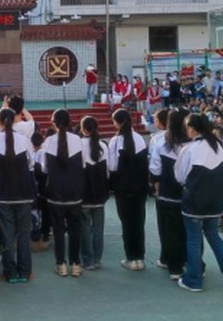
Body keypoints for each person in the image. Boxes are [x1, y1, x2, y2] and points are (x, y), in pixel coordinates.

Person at [175, 113, 223, 292]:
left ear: (191, 128)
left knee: (193, 239)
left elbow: (180, 176)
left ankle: (194, 280)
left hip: (194, 200)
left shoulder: (190, 149)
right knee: (214, 237)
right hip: (215, 201)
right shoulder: (218, 147)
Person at [0, 108, 36, 283]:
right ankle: (25, 272)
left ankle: (10, 272)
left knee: (6, 234)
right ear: (15, 121)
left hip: (3, 194)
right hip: (24, 192)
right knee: (24, 233)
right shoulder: (24, 140)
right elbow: (31, 164)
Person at [41, 109, 85, 277]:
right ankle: (76, 264)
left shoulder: (48, 141)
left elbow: (44, 168)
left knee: (58, 230)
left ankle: (61, 264)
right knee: (75, 229)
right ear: (69, 123)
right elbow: (83, 165)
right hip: (75, 193)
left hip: (55, 193)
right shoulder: (78, 140)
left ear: (54, 123)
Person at [107, 109, 149, 271]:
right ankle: (140, 258)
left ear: (117, 122)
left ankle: (131, 258)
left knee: (127, 223)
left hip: (123, 187)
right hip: (140, 187)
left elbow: (112, 166)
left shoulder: (115, 141)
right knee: (139, 222)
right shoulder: (139, 138)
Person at [150, 108, 189, 280]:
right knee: (191, 231)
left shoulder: (161, 141)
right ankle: (194, 263)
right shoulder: (193, 143)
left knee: (170, 230)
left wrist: (157, 187)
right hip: (189, 194)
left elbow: (155, 168)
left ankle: (173, 266)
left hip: (167, 193)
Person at [78, 115, 109, 271]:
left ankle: (87, 259)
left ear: (83, 129)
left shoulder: (78, 144)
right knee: (98, 228)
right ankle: (97, 259)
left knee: (84, 227)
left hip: (84, 193)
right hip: (100, 193)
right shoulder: (103, 145)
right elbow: (108, 169)